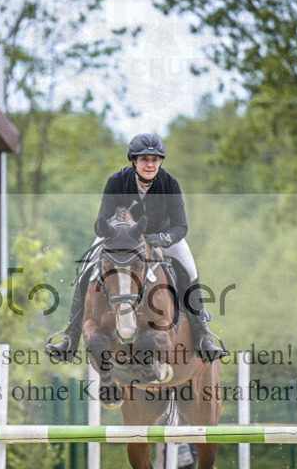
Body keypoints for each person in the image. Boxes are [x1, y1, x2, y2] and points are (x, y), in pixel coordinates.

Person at [45, 133, 226, 362]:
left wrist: (161, 238)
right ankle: (69, 339)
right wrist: (119, 231)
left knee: (189, 270)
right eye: (144, 159)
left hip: (161, 236)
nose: (150, 164)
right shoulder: (116, 182)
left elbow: (181, 226)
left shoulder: (169, 184)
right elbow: (101, 224)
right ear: (134, 161)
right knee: (88, 269)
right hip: (121, 240)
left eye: (155, 159)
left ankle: (202, 337)